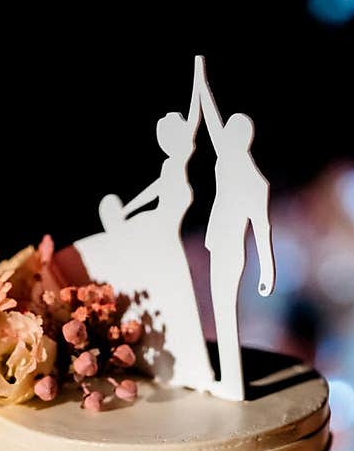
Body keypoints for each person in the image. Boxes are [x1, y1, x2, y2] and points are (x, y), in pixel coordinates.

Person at [75, 57, 213, 390]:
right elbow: (150, 193)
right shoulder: (169, 165)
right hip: (158, 228)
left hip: (166, 230)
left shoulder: (181, 162)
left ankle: (193, 368)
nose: (167, 137)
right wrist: (124, 212)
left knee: (173, 297)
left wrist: (198, 85)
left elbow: (195, 117)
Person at [195, 55, 275, 400]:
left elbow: (262, 227)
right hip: (216, 243)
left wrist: (267, 271)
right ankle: (222, 374)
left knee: (225, 311)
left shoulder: (255, 181)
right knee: (218, 308)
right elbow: (211, 122)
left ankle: (229, 378)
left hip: (231, 250)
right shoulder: (227, 161)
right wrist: (199, 81)